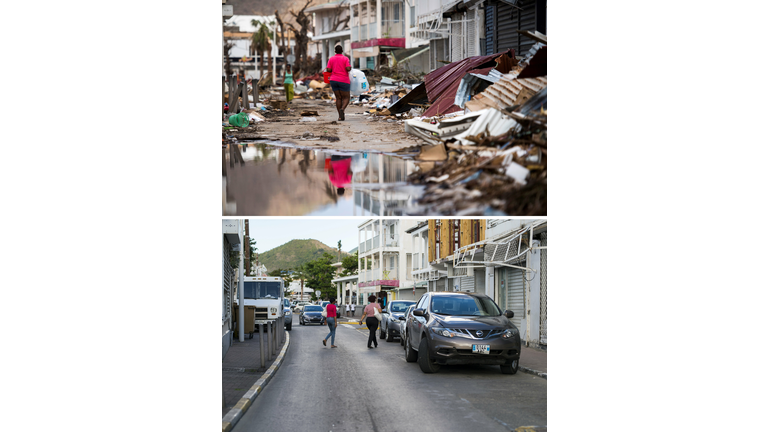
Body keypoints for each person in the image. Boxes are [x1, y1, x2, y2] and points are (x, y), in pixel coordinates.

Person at [325, 45, 352, 121]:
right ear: (342, 51)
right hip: (344, 80)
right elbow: (348, 69)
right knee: (346, 97)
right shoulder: (345, 58)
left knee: (338, 98)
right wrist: (350, 67)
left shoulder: (331, 59)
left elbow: (329, 70)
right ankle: (342, 109)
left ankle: (340, 116)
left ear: (335, 51)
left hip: (333, 80)